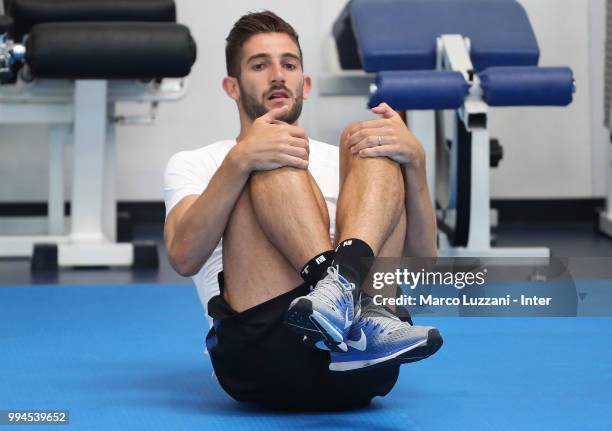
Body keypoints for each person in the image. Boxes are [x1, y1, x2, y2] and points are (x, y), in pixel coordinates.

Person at [163, 10, 442, 411]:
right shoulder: (199, 162)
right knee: (271, 148)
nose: (277, 74)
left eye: (289, 64)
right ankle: (335, 294)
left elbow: (418, 270)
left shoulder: (348, 161)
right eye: (260, 65)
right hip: (265, 355)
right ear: (232, 86)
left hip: (367, 357)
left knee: (372, 140)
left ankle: (345, 298)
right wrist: (239, 161)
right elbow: (184, 256)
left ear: (304, 83)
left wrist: (416, 163)